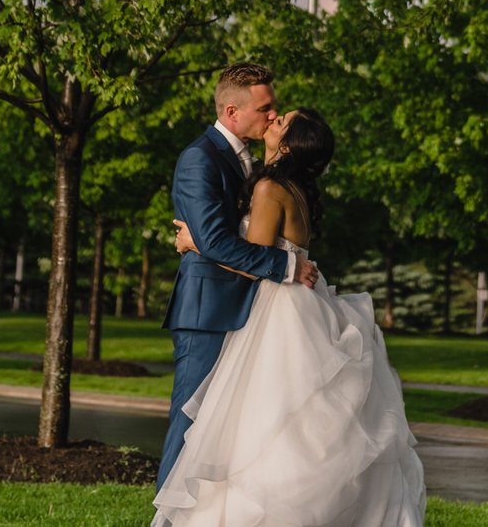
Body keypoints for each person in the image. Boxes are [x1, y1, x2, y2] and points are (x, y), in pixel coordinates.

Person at [152, 105, 426, 527]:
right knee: (298, 417)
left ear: (289, 144)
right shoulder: (295, 187)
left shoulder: (267, 189)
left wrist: (196, 242)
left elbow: (251, 258)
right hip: (304, 303)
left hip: (279, 307)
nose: (274, 119)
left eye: (281, 122)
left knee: (265, 416)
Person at [156, 63, 319, 490]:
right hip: (209, 311)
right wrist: (286, 266)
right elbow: (215, 240)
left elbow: (215, 237)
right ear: (232, 111)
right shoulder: (199, 158)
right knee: (192, 421)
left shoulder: (262, 165)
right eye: (265, 108)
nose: (272, 115)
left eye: (274, 108)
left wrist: (198, 241)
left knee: (229, 429)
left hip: (252, 313)